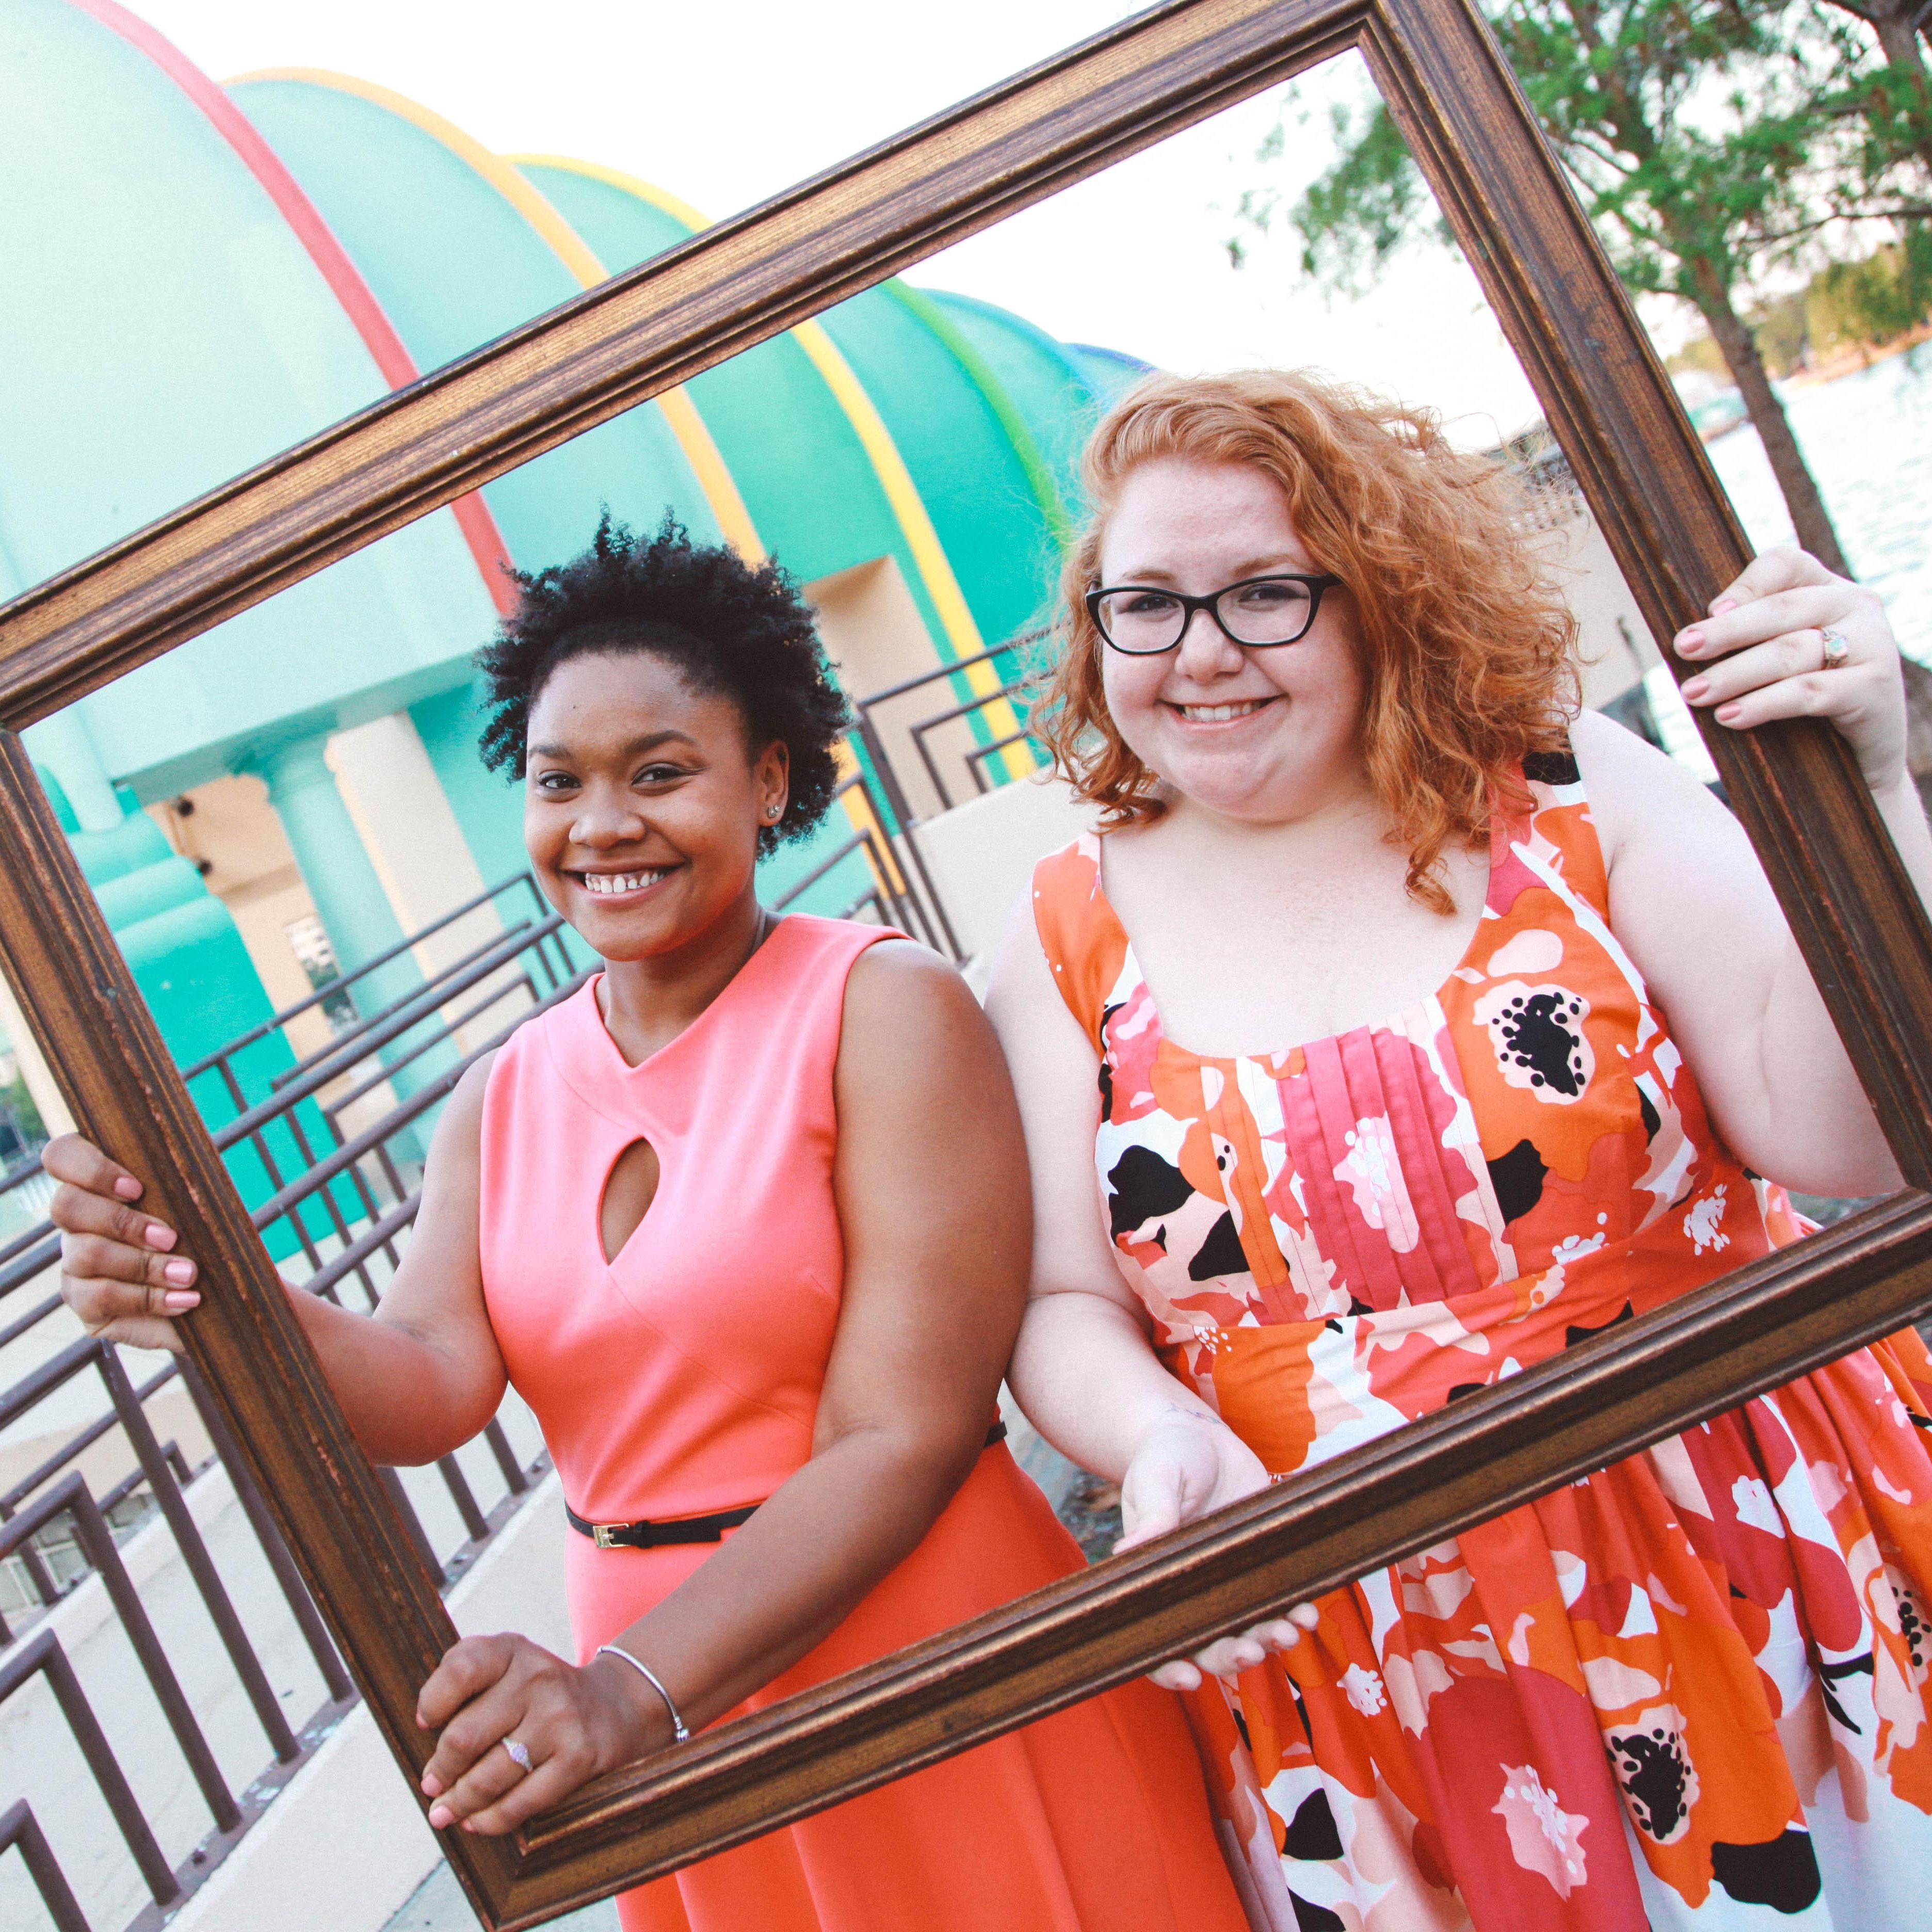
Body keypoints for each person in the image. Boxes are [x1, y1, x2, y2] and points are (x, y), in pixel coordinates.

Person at [48, 516, 1248, 1932]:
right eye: (560, 783)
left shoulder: (881, 1009)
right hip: (671, 1726)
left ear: (770, 780)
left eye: (660, 773)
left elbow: (904, 1430)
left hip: (926, 1657)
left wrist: (626, 1694)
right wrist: (205, 1283)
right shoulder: (500, 1096)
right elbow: (425, 1388)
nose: (602, 823)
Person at [986, 371, 1932, 1930]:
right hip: (1382, 1669)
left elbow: (1849, 1133)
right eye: (1143, 604)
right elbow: (1060, 1306)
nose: (1200, 652)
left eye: (1266, 594)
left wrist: (1881, 789)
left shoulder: (1568, 794)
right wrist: (1152, 1438)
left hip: (1764, 1563)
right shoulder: (1055, 940)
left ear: (1382, 597)